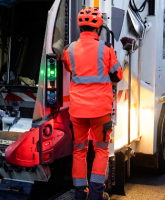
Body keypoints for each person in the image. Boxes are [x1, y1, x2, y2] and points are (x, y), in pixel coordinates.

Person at [62, 7, 123, 200]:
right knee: (101, 150)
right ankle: (96, 195)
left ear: (81, 27)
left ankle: (80, 193)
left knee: (79, 151)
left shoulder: (69, 49)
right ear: (98, 28)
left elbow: (67, 66)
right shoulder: (105, 48)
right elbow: (117, 75)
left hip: (77, 111)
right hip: (100, 111)